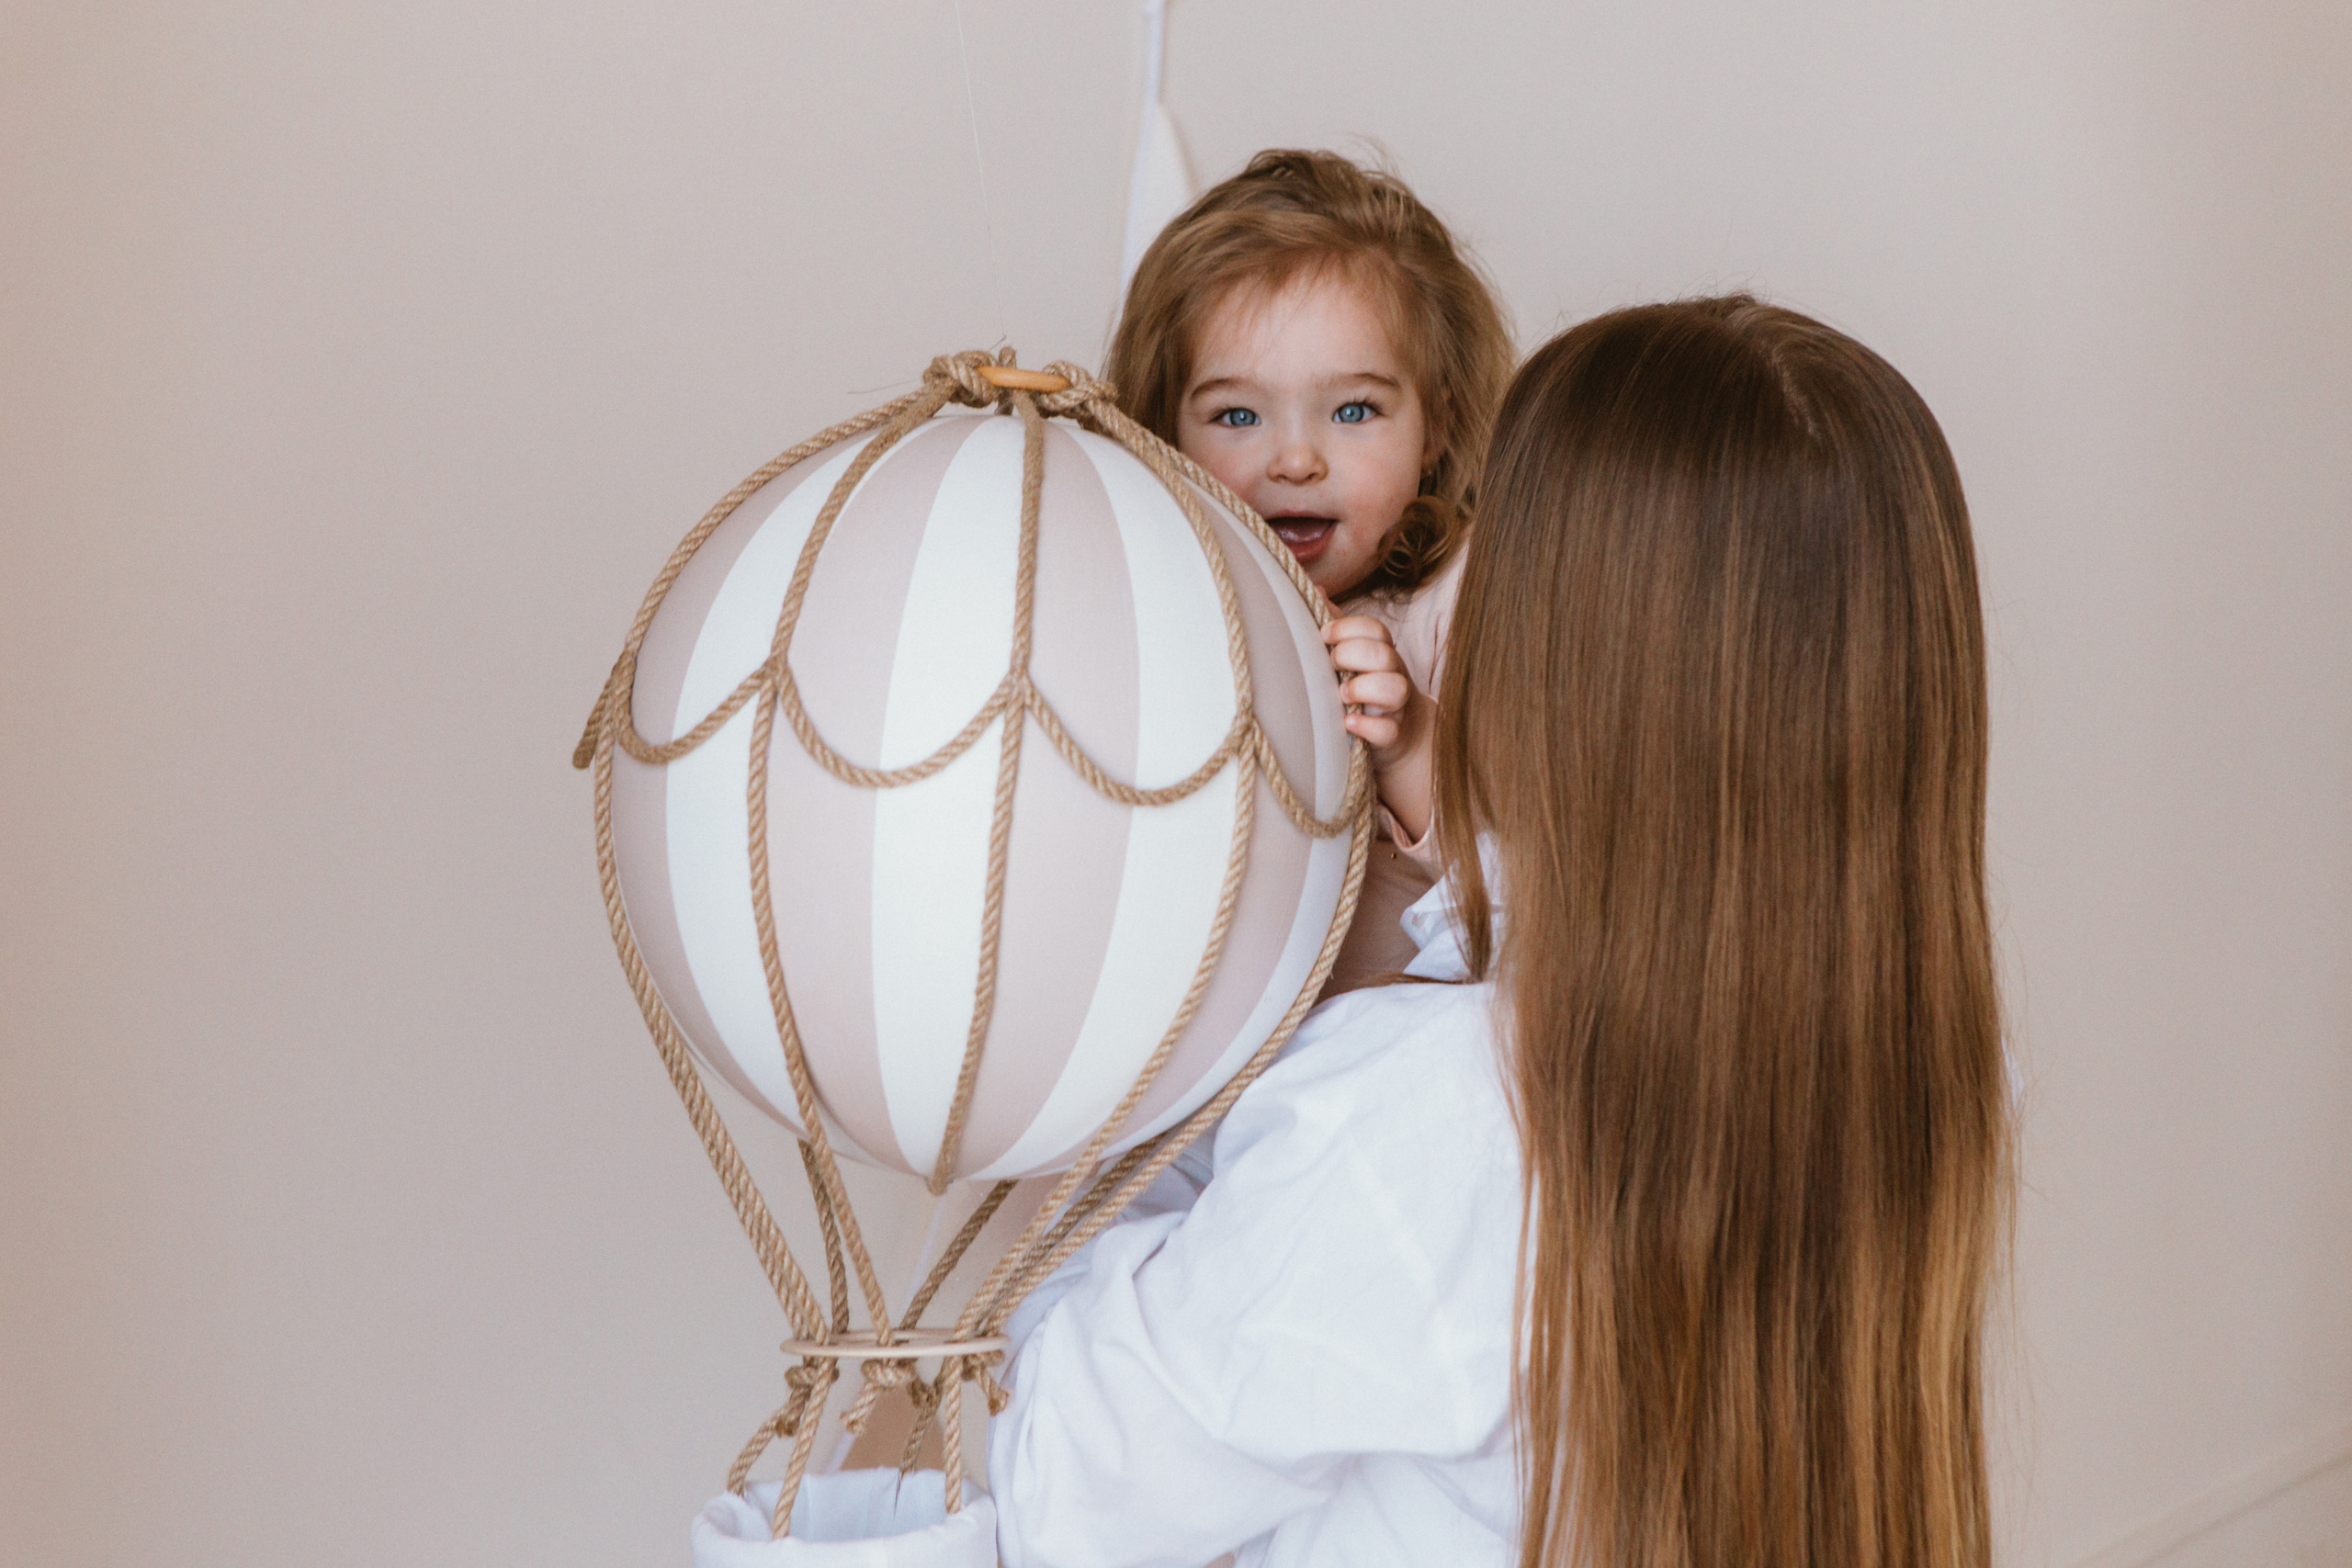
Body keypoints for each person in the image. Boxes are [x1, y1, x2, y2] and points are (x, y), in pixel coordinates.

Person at [989, 297, 2013, 1568]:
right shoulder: (1932, 1061)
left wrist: (1108, 1035)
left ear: (1561, 648)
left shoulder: (1419, 1118)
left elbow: (1059, 1490)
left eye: (1499, 554)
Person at [1107, 149, 1514, 994]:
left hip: (1398, 1043)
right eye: (1238, 415)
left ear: (1437, 424)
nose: (1295, 460)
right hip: (1205, 1035)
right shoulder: (1157, 610)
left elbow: (1524, 873)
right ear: (1163, 434)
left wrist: (1411, 744)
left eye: (1353, 410)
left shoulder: (1462, 602)